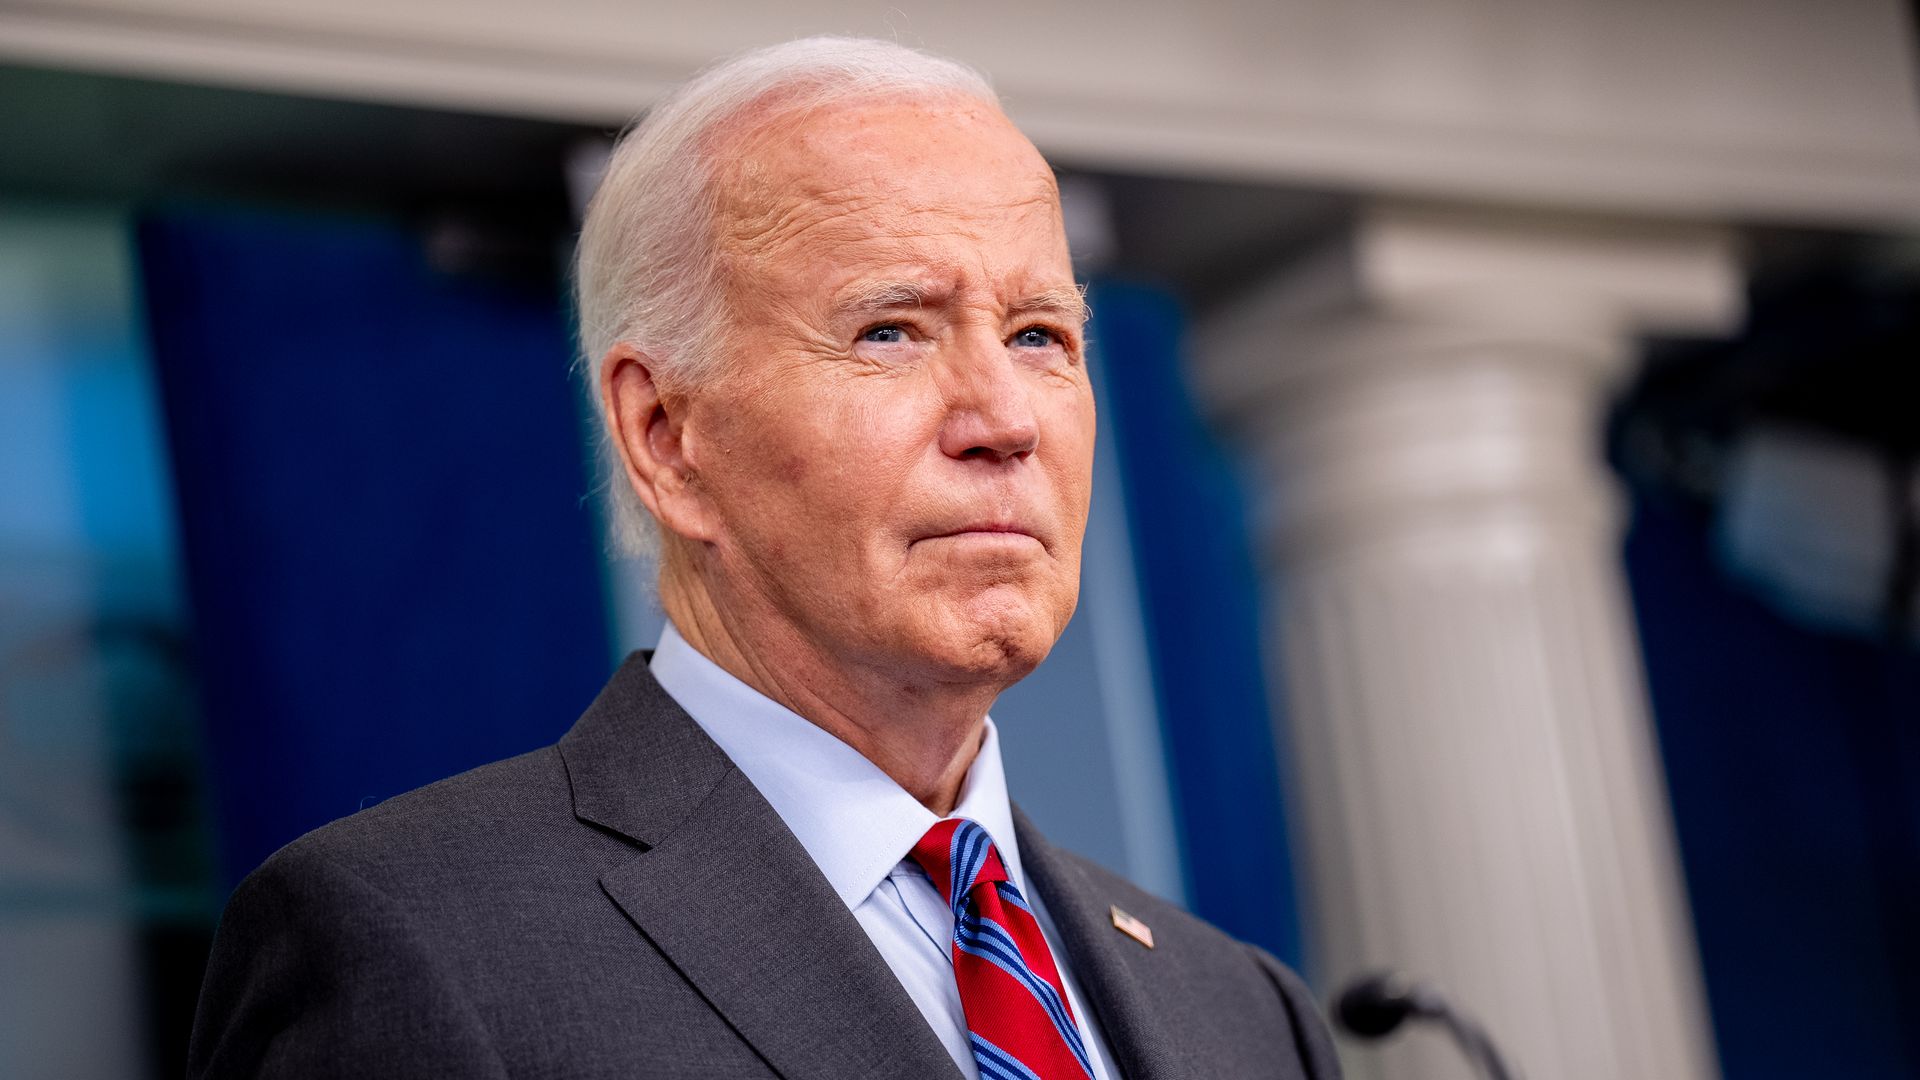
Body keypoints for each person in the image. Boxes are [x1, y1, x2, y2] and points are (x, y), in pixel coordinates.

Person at [187, 36, 1342, 1080]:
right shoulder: (417, 944)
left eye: (1040, 335)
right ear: (668, 439)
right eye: (889, 329)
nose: (1005, 417)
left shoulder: (1243, 1014)